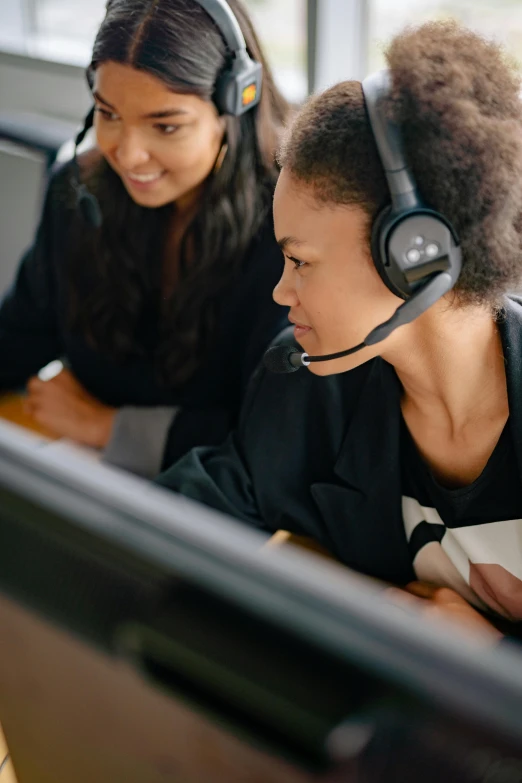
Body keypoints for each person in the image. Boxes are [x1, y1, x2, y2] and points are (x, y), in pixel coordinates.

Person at [157, 21, 522, 642]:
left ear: (415, 256)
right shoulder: (313, 378)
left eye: (299, 260)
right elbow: (193, 510)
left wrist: (491, 659)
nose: (281, 291)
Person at [0, 0, 289, 476]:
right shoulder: (78, 194)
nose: (128, 154)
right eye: (108, 114)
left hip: (211, 512)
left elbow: (274, 435)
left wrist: (107, 426)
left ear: (235, 105)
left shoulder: (289, 235)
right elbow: (18, 338)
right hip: (88, 483)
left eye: (166, 126)